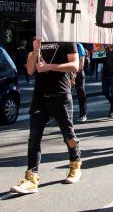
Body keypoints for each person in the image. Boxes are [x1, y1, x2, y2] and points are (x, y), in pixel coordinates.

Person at [11, 39, 82, 195]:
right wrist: (35, 51)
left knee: (68, 134)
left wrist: (49, 67)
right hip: (40, 96)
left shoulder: (66, 39)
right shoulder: (38, 39)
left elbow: (75, 65)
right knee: (34, 138)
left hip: (60, 94)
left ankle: (75, 165)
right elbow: (30, 70)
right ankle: (31, 178)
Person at [74, 43, 88, 122]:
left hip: (78, 73)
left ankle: (83, 114)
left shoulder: (79, 46)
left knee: (81, 93)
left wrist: (75, 73)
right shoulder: (67, 44)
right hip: (69, 72)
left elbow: (81, 63)